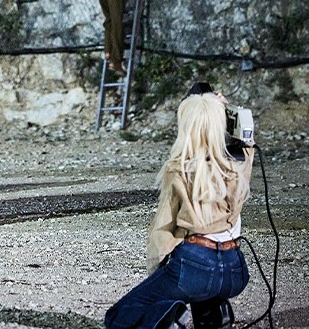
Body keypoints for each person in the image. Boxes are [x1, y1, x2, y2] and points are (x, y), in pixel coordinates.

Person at [105, 87, 254, 329]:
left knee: (118, 317)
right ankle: (215, 313)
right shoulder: (240, 162)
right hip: (236, 271)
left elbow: (164, 234)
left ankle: (172, 319)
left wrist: (157, 272)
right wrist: (222, 108)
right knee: (197, 284)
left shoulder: (179, 169)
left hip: (195, 267)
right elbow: (246, 135)